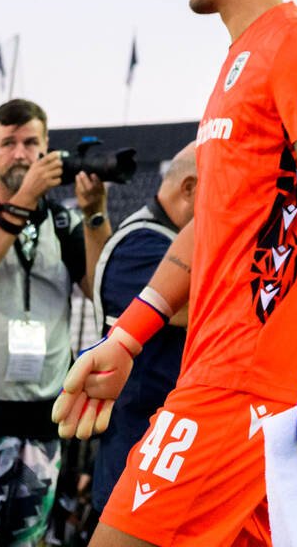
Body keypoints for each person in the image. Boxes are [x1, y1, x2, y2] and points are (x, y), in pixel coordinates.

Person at [53, 0, 297, 547]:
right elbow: (214, 229)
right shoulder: (234, 65)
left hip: (247, 383)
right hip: (220, 373)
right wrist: (127, 339)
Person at [0, 98, 111, 547]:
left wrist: (94, 214)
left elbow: (102, 287)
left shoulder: (63, 220)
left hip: (41, 425)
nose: (20, 153)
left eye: (31, 143)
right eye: (8, 143)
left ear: (47, 149)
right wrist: (25, 198)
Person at [88, 143, 199, 514]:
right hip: (136, 444)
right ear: (189, 188)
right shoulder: (139, 244)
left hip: (163, 440)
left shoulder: (156, 239)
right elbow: (204, 305)